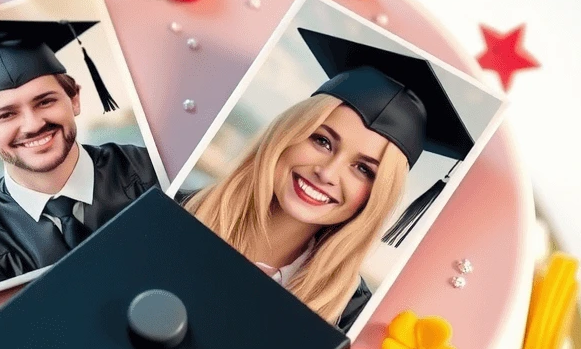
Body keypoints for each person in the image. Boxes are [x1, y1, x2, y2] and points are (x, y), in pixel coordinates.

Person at [185, 28, 475, 332]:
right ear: (286, 134)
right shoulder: (157, 198)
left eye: (363, 169)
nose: (327, 173)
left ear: (377, 196)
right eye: (322, 141)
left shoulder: (350, 323)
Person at [0, 19, 160, 296]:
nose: (33, 124)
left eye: (45, 101)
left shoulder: (151, 170)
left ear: (74, 99)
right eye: (6, 115)